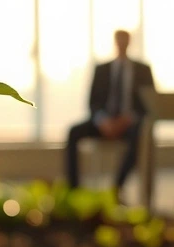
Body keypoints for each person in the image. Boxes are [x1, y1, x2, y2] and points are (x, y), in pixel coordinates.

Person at [66, 30, 155, 198]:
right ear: (115, 42)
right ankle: (74, 190)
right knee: (73, 131)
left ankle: (116, 188)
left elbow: (150, 104)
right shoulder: (102, 69)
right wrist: (103, 120)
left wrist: (128, 119)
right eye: (119, 40)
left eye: (125, 40)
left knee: (140, 136)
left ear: (129, 42)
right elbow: (92, 103)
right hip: (103, 123)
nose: (122, 43)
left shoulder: (143, 70)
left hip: (129, 124)